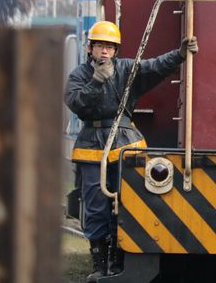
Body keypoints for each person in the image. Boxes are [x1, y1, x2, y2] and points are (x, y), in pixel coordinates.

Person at [64, 20, 198, 282]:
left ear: (116, 50)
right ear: (90, 48)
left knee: (124, 205)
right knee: (95, 206)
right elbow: (76, 104)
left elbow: (155, 67)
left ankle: (118, 259)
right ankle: (99, 263)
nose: (105, 51)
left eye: (110, 47)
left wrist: (180, 54)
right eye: (100, 45)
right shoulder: (79, 75)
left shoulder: (126, 68)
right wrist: (95, 83)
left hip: (125, 144)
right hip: (92, 147)